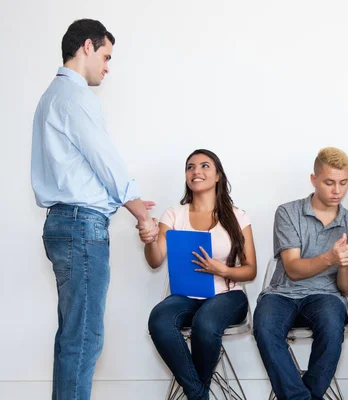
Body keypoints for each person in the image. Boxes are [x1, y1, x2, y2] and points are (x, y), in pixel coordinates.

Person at [31, 19, 158, 400]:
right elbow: (106, 163)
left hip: (64, 224)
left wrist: (132, 204)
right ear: (87, 46)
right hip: (80, 226)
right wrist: (141, 213)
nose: (107, 66)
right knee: (84, 337)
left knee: (73, 335)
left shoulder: (51, 96)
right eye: (105, 55)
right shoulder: (76, 97)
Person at [145, 149, 257, 400]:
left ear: (218, 175)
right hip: (186, 294)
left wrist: (223, 270)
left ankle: (196, 393)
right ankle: (199, 394)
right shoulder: (174, 214)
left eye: (205, 166)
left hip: (228, 295)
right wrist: (151, 240)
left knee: (205, 323)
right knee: (159, 319)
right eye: (190, 167)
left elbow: (251, 270)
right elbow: (155, 260)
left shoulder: (237, 216)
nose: (196, 171)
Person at [253, 147, 348, 400]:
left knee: (332, 327)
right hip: (282, 293)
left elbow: (346, 289)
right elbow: (293, 269)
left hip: (326, 295)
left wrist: (344, 262)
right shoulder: (288, 212)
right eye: (329, 183)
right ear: (314, 180)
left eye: (343, 183)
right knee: (265, 326)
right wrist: (330, 257)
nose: (337, 191)